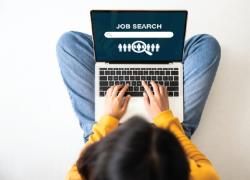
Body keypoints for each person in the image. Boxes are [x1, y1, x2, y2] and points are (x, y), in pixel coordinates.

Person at [56, 32, 221, 180]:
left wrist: (107, 120)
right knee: (206, 45)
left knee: (67, 43)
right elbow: (203, 167)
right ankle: (147, 53)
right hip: (170, 139)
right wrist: (164, 117)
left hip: (106, 141)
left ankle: (129, 53)